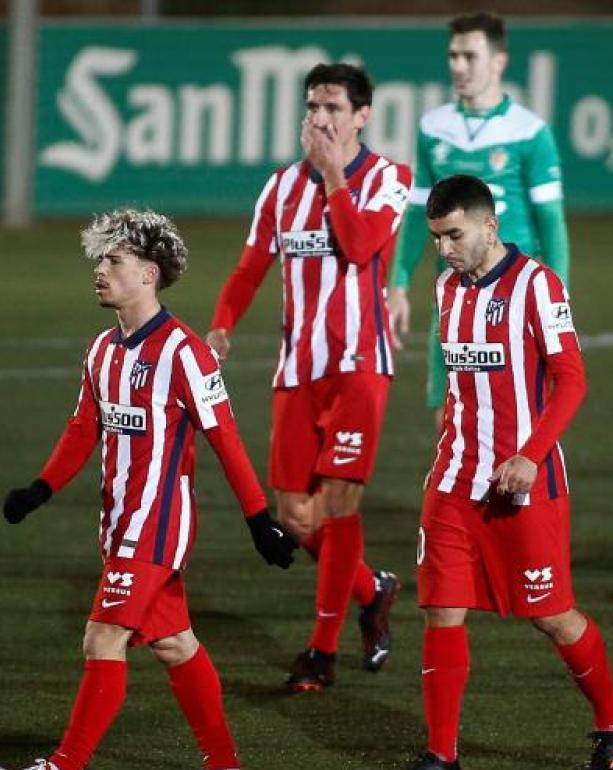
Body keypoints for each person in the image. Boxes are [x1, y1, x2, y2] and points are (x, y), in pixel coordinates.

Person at [0, 209, 298, 770]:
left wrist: (259, 520)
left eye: (115, 260)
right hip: (118, 524)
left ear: (148, 274)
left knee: (102, 638)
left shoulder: (185, 352)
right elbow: (83, 428)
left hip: (156, 525)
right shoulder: (101, 350)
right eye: (100, 260)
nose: (100, 270)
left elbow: (225, 438)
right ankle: (224, 764)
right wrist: (40, 488)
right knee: (175, 643)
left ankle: (65, 763)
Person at [406, 175, 613, 770]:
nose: (444, 249)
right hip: (454, 480)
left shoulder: (537, 285)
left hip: (527, 487)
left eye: (454, 235)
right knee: (441, 609)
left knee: (551, 615)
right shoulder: (445, 288)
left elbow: (572, 380)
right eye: (436, 238)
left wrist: (530, 455)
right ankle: (441, 755)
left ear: (490, 226)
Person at [207, 63, 411, 691]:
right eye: (312, 106)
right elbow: (250, 268)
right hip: (297, 369)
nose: (319, 118)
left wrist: (332, 177)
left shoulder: (390, 179)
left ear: (361, 116)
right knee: (296, 518)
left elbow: (358, 246)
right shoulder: (279, 188)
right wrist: (221, 327)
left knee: (340, 503)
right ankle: (372, 590)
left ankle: (321, 652)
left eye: (333, 108)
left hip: (359, 367)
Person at [388, 11, 570, 431]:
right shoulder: (434, 128)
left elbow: (551, 223)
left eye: (470, 56)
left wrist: (557, 299)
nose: (458, 66)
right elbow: (418, 212)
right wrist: (397, 284)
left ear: (499, 61)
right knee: (449, 418)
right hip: (454, 297)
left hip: (515, 298)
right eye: (453, 56)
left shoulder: (529, 132)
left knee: (517, 422)